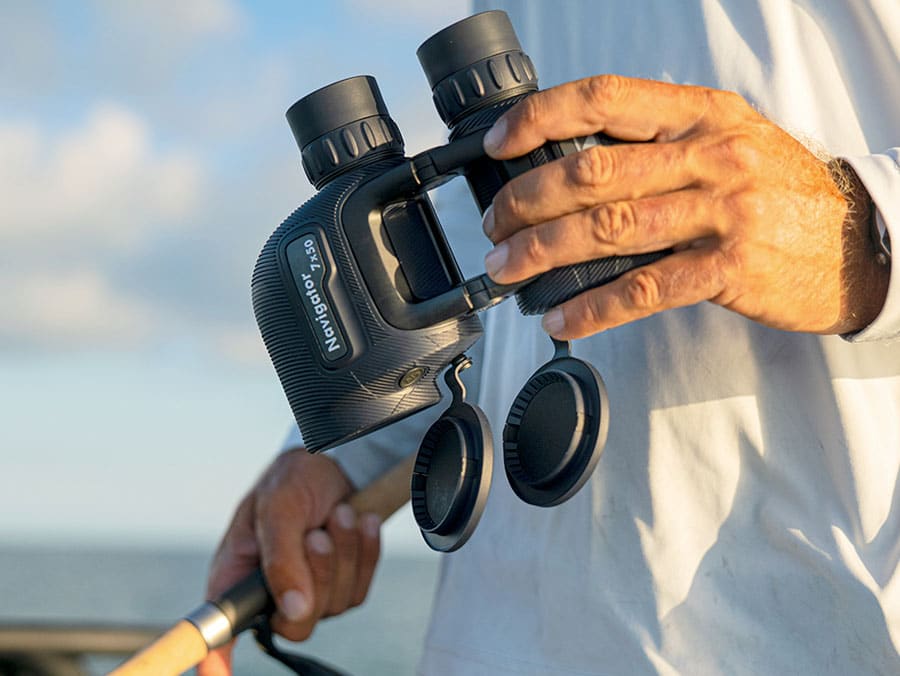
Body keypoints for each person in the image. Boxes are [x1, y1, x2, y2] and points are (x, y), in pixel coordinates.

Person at [200, 1, 900, 674]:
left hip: (807, 631)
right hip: (493, 634)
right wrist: (343, 448)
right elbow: (495, 204)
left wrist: (857, 230)